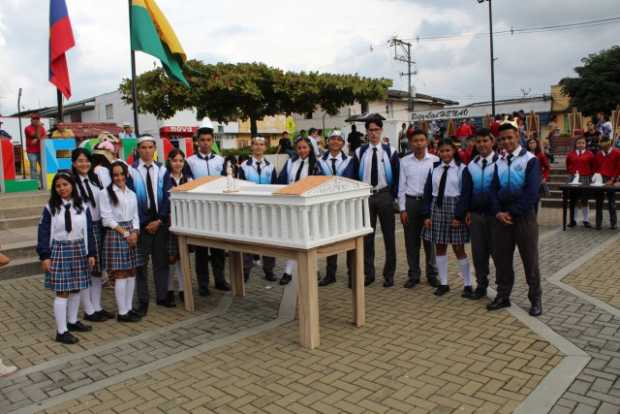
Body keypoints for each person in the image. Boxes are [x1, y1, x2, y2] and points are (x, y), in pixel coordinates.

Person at [488, 120, 542, 317]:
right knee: (502, 260)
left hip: (524, 218)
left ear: (518, 137)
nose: (506, 141)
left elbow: (532, 192)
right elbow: (492, 191)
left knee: (530, 260)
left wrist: (512, 212)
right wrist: (498, 212)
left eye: (509, 137)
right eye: (502, 139)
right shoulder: (498, 162)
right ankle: (503, 296)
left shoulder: (530, 160)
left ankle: (535, 299)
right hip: (502, 219)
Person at [37, 171, 96, 344]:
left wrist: (91, 253)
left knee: (76, 288)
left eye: (65, 184)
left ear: (72, 185)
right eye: (58, 186)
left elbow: (89, 231)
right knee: (62, 292)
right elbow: (43, 232)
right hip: (60, 250)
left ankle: (72, 321)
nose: (62, 188)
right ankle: (61, 331)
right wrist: (45, 256)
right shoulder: (50, 208)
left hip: (79, 248)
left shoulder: (82, 206)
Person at [353, 116, 400, 287]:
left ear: (381, 130)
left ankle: (389, 275)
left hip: (385, 195)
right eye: (370, 130)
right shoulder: (359, 152)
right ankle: (368, 273)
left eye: (376, 130)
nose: (373, 133)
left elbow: (397, 175)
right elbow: (353, 177)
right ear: (366, 132)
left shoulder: (390, 151)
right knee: (367, 238)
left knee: (389, 237)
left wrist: (393, 197)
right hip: (366, 196)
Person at [129, 135, 172, 315]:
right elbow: (130, 199)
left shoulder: (162, 170)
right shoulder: (131, 171)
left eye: (150, 147)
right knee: (141, 264)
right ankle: (143, 300)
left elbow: (168, 195)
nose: (147, 151)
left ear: (155, 149)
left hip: (159, 223)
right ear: (138, 150)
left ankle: (162, 296)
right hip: (142, 224)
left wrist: (160, 220)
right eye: (143, 147)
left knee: (161, 262)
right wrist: (143, 223)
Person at [422, 140, 471, 297]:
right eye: (442, 151)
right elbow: (428, 192)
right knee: (440, 246)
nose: (445, 154)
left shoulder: (462, 169)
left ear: (454, 151)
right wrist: (427, 215)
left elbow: (465, 194)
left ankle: (468, 284)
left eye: (448, 150)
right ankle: (443, 283)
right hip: (437, 209)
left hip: (455, 209)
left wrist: (459, 216)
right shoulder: (435, 169)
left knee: (458, 248)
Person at [185, 127, 230, 295]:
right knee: (201, 251)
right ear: (197, 142)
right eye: (202, 140)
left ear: (213, 141)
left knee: (218, 249)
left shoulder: (221, 160)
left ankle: (220, 280)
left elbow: (227, 181)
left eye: (208, 140)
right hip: (199, 212)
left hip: (217, 211)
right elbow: (188, 184)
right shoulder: (190, 162)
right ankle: (203, 285)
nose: (205, 143)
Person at [71, 149, 114, 322]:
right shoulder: (72, 182)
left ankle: (97, 307)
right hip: (83, 230)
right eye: (80, 161)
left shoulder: (95, 179)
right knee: (86, 270)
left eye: (87, 160)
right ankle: (88, 310)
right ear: (74, 163)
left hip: (100, 227)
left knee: (98, 270)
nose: (84, 164)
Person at [277, 136, 323, 285]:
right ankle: (288, 271)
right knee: (293, 239)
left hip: (309, 207)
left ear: (310, 148)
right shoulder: (291, 163)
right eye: (299, 148)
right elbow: (282, 182)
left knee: (310, 239)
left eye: (305, 147)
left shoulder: (317, 165)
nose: (302, 150)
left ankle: (314, 269)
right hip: (293, 206)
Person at [100, 161, 142, 323]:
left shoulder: (131, 193)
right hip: (116, 234)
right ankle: (122, 312)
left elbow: (135, 216)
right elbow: (107, 219)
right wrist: (126, 234)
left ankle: (129, 308)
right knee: (120, 275)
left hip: (132, 233)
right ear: (111, 176)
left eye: (121, 174)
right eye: (115, 175)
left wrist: (136, 233)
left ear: (126, 174)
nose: (118, 177)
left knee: (131, 273)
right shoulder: (105, 193)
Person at [459, 129, 498, 300]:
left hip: (496, 217)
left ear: (492, 141)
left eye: (485, 141)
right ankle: (481, 285)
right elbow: (466, 192)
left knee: (499, 254)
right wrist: (466, 211)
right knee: (479, 253)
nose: (482, 144)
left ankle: (502, 290)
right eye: (478, 141)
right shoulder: (471, 166)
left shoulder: (502, 163)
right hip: (476, 216)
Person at [398, 129, 439, 289]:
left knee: (430, 241)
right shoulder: (405, 161)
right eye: (415, 141)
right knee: (411, 242)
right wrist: (402, 209)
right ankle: (414, 274)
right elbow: (401, 186)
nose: (419, 144)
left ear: (427, 142)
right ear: (410, 143)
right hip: (411, 203)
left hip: (428, 204)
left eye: (422, 140)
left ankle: (432, 275)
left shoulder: (435, 161)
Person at [316, 130, 355, 287]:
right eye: (332, 139)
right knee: (330, 240)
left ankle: (352, 274)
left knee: (349, 240)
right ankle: (330, 274)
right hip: (327, 207)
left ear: (343, 143)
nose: (335, 142)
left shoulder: (350, 161)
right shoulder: (319, 161)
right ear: (328, 141)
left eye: (339, 139)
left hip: (345, 206)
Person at [238, 137, 278, 281]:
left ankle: (269, 270)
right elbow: (240, 187)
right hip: (249, 209)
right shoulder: (243, 166)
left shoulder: (271, 166)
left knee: (268, 240)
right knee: (248, 240)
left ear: (265, 147)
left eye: (262, 144)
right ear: (252, 147)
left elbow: (275, 188)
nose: (259, 147)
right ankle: (245, 270)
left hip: (267, 210)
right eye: (256, 144)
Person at [165, 149, 192, 304]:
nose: (178, 163)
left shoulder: (188, 179)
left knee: (183, 258)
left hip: (184, 223)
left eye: (181, 160)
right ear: (169, 161)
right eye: (175, 160)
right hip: (168, 224)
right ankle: (169, 289)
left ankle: (183, 289)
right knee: (170, 258)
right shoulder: (164, 179)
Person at [566, 136, 595, 228]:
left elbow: (593, 166)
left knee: (584, 199)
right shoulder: (571, 154)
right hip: (573, 178)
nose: (581, 145)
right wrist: (571, 173)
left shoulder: (590, 154)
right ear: (576, 144)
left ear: (585, 144)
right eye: (579, 143)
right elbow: (568, 165)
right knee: (573, 199)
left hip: (585, 178)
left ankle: (586, 220)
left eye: (583, 143)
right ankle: (573, 220)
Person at [594, 136, 619, 230]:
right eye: (602, 146)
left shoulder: (617, 153)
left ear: (609, 144)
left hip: (611, 179)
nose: (603, 148)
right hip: (600, 180)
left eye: (605, 146)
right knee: (599, 202)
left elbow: (618, 168)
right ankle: (598, 223)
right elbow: (596, 168)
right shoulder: (598, 154)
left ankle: (613, 223)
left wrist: (613, 180)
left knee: (611, 202)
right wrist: (597, 177)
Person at [25, 113, 46, 187]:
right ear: (31, 120)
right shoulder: (27, 128)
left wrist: (37, 139)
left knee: (43, 167)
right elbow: (36, 135)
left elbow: (44, 137)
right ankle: (34, 185)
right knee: (33, 168)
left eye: (37, 119)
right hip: (31, 151)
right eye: (34, 119)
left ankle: (42, 183)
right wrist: (39, 127)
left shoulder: (42, 128)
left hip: (41, 151)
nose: (36, 120)